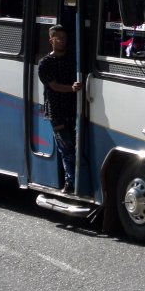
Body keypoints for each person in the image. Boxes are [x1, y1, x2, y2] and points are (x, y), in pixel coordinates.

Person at [38, 25, 82, 193]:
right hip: (56, 112)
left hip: (74, 110)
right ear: (51, 40)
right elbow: (54, 86)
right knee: (67, 148)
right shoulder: (45, 63)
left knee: (75, 147)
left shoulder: (73, 59)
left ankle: (74, 180)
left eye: (64, 38)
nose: (62, 41)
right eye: (59, 38)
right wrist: (72, 88)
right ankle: (70, 183)